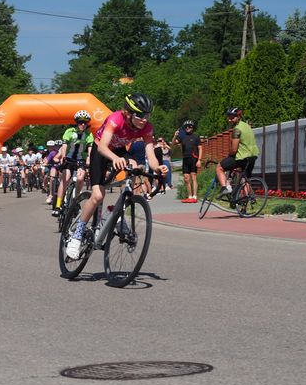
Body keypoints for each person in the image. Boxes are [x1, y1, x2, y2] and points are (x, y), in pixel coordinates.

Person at [65, 93, 167, 260]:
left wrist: (157, 168)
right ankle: (77, 235)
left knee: (134, 165)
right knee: (98, 195)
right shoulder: (116, 119)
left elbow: (150, 153)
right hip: (101, 150)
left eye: (147, 115)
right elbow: (103, 146)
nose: (144, 119)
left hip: (118, 151)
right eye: (140, 115)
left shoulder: (146, 127)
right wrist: (114, 159)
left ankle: (115, 211)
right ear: (128, 113)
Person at [54, 110, 94, 216]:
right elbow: (64, 146)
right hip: (69, 158)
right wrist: (63, 157)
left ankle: (76, 200)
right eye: (80, 122)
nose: (83, 124)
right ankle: (58, 205)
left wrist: (89, 159)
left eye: (85, 122)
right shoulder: (69, 131)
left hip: (81, 160)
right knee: (66, 179)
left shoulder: (89, 134)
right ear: (76, 122)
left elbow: (90, 148)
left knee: (80, 178)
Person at [216, 107, 259, 205]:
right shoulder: (247, 126)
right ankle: (249, 198)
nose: (229, 120)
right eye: (229, 117)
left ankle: (225, 188)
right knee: (245, 178)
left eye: (232, 117)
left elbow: (234, 149)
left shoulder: (237, 130)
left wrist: (229, 155)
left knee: (219, 167)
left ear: (238, 117)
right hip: (253, 156)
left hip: (242, 157)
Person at [173, 119, 201, 203]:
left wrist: (199, 160)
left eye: (189, 127)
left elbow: (200, 148)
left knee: (193, 176)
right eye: (186, 127)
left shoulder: (196, 137)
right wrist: (175, 136)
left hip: (193, 158)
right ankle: (190, 196)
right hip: (185, 159)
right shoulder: (182, 137)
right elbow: (173, 143)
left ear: (192, 128)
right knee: (186, 178)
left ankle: (195, 196)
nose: (187, 128)